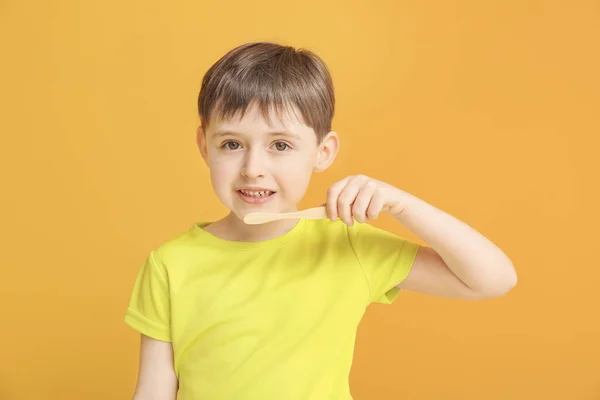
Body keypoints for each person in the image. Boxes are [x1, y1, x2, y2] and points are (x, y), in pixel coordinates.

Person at [125, 42, 517, 400]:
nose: (253, 169)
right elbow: (154, 391)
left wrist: (403, 205)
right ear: (203, 147)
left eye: (280, 145)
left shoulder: (346, 245)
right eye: (232, 144)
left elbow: (493, 279)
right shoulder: (170, 265)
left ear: (323, 152)